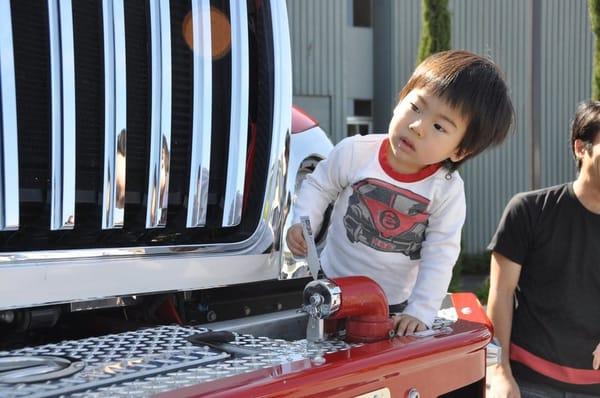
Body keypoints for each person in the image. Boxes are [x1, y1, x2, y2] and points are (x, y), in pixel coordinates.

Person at [286, 50, 514, 336]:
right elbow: (319, 185)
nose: (417, 127)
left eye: (439, 126)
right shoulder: (356, 152)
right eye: (416, 107)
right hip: (328, 287)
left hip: (390, 307)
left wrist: (419, 311)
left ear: (459, 151)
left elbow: (440, 254)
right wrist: (302, 223)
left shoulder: (446, 190)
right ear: (401, 99)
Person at [487, 101, 600, 397]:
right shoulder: (529, 210)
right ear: (580, 148)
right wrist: (499, 372)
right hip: (528, 382)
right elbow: (500, 296)